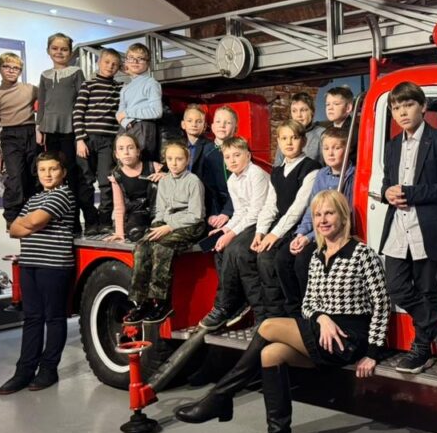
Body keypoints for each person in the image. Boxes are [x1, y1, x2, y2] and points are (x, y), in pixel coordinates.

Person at [176, 190, 390, 433]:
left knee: (267, 326)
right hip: (321, 331)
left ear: (343, 217)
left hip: (349, 337)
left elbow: (381, 304)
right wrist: (321, 317)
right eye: (317, 214)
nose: (323, 220)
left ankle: (221, 397)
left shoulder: (362, 254)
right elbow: (308, 303)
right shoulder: (316, 255)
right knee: (270, 354)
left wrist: (373, 353)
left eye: (329, 213)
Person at [379, 81, 437, 377]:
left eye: (408, 105)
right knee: (396, 287)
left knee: (427, 291)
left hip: (427, 227)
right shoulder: (392, 146)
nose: (402, 112)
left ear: (423, 107)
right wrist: (387, 193)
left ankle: (420, 350)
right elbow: (387, 182)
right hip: (398, 226)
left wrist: (412, 193)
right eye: (396, 108)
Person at [0, 152, 75, 394]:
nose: (48, 174)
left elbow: (32, 222)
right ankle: (24, 371)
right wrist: (29, 224)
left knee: (54, 318)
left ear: (63, 172)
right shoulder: (35, 198)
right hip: (29, 264)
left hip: (54, 265)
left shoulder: (63, 194)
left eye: (53, 169)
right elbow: (13, 229)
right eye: (43, 170)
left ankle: (48, 370)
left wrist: (29, 224)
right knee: (32, 318)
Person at [123, 140, 206, 325]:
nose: (174, 163)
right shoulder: (164, 181)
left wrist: (169, 227)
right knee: (142, 246)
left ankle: (162, 302)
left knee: (162, 247)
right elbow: (160, 211)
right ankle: (141, 302)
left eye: (179, 159)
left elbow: (196, 215)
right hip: (166, 222)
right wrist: (156, 226)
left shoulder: (193, 181)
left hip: (190, 224)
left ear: (187, 160)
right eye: (170, 159)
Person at [275, 127, 354, 317]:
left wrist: (309, 239)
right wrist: (300, 234)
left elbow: (345, 216)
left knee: (303, 261)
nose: (330, 153)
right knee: (282, 258)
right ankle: (294, 312)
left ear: (347, 149)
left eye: (336, 148)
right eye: (326, 148)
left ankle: (311, 311)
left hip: (335, 234)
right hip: (315, 232)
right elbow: (312, 209)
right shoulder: (321, 175)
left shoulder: (353, 176)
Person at [251, 120, 320, 319]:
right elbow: (270, 205)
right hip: (281, 226)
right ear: (279, 142)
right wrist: (260, 232)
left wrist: (274, 235)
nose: (289, 143)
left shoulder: (311, 168)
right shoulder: (277, 171)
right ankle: (273, 314)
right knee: (260, 256)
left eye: (294, 138)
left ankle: (294, 314)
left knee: (275, 258)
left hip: (300, 227)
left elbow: (298, 208)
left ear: (304, 141)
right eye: (284, 138)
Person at [199, 136, 269, 330]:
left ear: (248, 155)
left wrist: (230, 235)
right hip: (248, 222)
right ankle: (236, 301)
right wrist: (225, 229)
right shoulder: (233, 180)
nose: (232, 160)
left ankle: (224, 306)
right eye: (228, 157)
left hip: (264, 222)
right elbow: (239, 212)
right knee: (219, 249)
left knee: (235, 250)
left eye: (237, 155)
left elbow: (256, 212)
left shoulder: (256, 174)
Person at [37, 32, 85, 232]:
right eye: (55, 48)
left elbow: (82, 101)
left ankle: (73, 221)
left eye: (64, 49)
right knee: (51, 173)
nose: (59, 52)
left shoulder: (76, 72)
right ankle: (54, 217)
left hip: (70, 129)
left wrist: (81, 131)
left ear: (70, 52)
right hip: (50, 130)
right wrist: (39, 127)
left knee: (70, 173)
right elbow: (41, 104)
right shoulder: (44, 75)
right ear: (48, 51)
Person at [73, 47, 123, 235]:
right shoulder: (89, 85)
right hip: (86, 140)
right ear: (98, 63)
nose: (110, 66)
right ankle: (91, 221)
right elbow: (78, 113)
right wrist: (80, 139)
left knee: (106, 182)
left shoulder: (119, 88)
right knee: (85, 182)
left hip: (108, 141)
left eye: (115, 64)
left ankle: (105, 221)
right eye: (107, 62)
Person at [0, 52, 38, 228]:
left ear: (20, 71)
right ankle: (12, 218)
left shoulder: (30, 89)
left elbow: (47, 102)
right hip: (10, 137)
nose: (11, 70)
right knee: (15, 179)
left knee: (34, 176)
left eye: (16, 68)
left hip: (31, 133)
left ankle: (33, 215)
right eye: (7, 67)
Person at [180, 104, 231, 231]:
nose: (194, 124)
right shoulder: (177, 145)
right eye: (190, 121)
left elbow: (212, 185)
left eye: (198, 121)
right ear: (183, 124)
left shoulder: (209, 148)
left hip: (203, 198)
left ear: (205, 126)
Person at [106, 133, 159, 243]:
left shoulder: (153, 166)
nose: (126, 152)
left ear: (138, 151)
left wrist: (165, 176)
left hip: (158, 210)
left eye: (130, 148)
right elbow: (119, 207)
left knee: (154, 185)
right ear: (116, 154)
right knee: (134, 234)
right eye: (121, 149)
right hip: (137, 213)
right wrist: (119, 233)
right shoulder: (116, 176)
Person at [116, 42, 163, 163]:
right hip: (126, 127)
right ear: (126, 62)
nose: (135, 62)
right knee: (124, 163)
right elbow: (119, 113)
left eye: (140, 58)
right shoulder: (125, 88)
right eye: (131, 58)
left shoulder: (151, 83)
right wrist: (126, 122)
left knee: (143, 162)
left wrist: (127, 113)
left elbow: (157, 111)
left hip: (143, 127)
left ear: (147, 63)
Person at [274, 92, 324, 166]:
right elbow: (277, 165)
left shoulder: (322, 134)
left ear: (312, 111)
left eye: (303, 110)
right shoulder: (286, 134)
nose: (298, 115)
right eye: (294, 111)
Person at [317, 85, 358, 165]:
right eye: (327, 104)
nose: (330, 108)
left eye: (336, 104)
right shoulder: (326, 130)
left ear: (348, 108)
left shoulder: (353, 131)